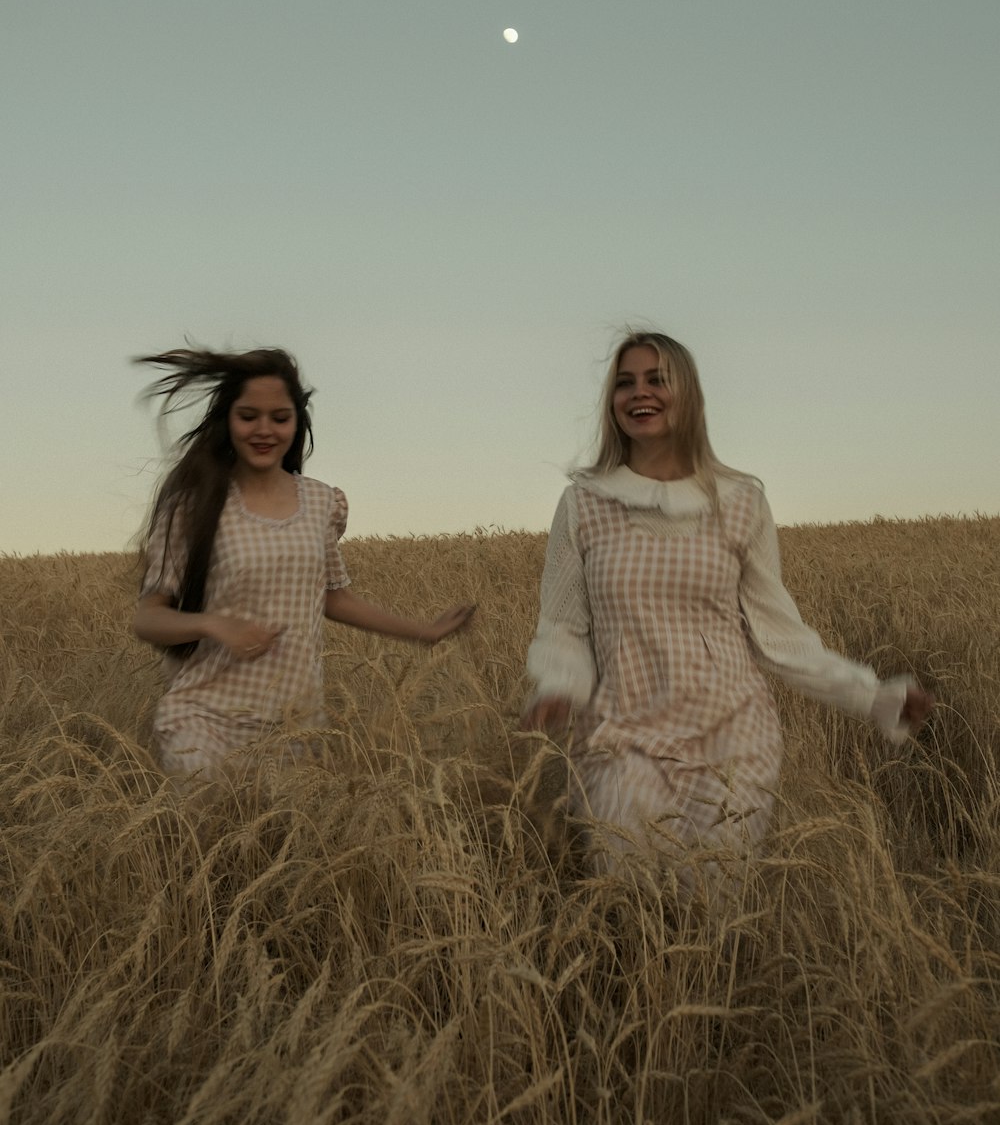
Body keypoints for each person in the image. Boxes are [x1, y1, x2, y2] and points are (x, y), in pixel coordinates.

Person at [520, 331, 933, 887]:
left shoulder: (740, 501)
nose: (638, 393)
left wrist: (872, 695)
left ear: (685, 392)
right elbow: (563, 625)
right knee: (630, 896)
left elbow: (780, 638)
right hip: (623, 734)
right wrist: (558, 685)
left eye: (655, 378)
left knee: (711, 915)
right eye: (624, 382)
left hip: (732, 736)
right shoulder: (584, 503)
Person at [134, 347, 474, 779]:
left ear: (297, 422)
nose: (264, 430)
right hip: (204, 718)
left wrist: (421, 631)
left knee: (283, 847)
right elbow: (148, 618)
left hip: (295, 725)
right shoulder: (193, 506)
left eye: (280, 418)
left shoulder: (320, 502)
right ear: (228, 421)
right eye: (248, 416)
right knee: (210, 829)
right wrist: (213, 624)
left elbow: (332, 597)